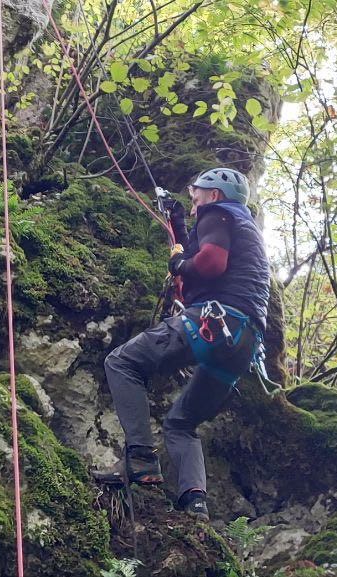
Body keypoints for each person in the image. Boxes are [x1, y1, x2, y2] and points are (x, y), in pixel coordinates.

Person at [97, 167, 270, 521]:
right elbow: (200, 262)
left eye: (196, 199)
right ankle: (195, 502)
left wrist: (180, 262)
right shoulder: (243, 227)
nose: (194, 207)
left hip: (213, 321)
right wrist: (177, 227)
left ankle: (142, 460)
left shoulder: (218, 213)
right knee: (180, 423)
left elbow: (209, 264)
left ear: (214, 195)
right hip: (242, 347)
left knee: (121, 363)